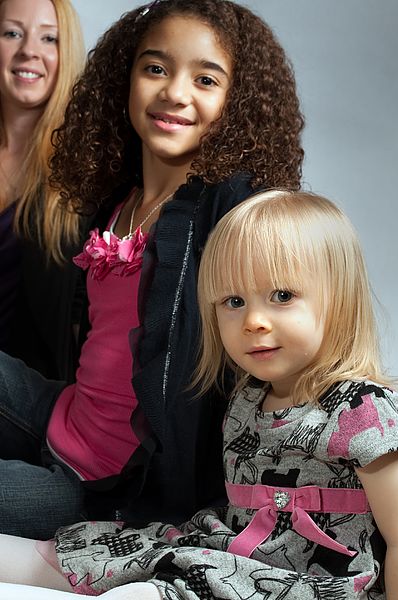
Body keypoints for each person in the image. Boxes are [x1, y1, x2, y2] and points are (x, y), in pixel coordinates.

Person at [0, 0, 304, 540]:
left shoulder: (229, 212)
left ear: (237, 103)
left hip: (106, 492)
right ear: (125, 77)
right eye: (156, 68)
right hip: (61, 414)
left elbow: (293, 320)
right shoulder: (119, 199)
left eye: (206, 79)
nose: (175, 92)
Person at [0, 190, 398, 599]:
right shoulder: (247, 401)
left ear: (341, 300)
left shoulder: (361, 408)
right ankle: (29, 560)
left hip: (308, 584)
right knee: (108, 553)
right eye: (234, 301)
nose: (254, 321)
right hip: (232, 551)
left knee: (151, 590)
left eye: (282, 296)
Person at [0, 0, 86, 381]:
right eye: (12, 33)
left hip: (31, 393)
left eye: (49, 38)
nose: (29, 50)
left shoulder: (84, 169)